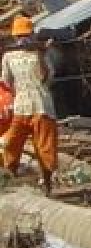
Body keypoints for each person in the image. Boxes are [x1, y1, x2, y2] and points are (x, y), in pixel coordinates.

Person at [0, 16, 58, 193]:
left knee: (45, 148)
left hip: (42, 107)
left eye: (26, 35)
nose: (23, 39)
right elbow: (6, 82)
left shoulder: (41, 54)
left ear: (32, 35)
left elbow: (46, 79)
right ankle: (9, 180)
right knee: (11, 144)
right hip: (20, 108)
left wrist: (40, 53)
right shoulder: (9, 57)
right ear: (14, 37)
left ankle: (48, 184)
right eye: (19, 36)